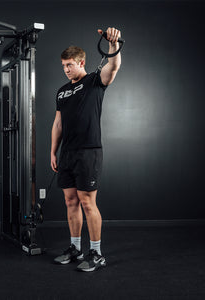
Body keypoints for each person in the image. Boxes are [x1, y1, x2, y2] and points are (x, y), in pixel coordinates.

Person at [51, 27, 122, 271]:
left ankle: (96, 253)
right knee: (70, 201)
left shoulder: (94, 81)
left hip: (89, 151)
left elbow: (113, 67)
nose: (66, 69)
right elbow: (58, 123)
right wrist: (53, 151)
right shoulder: (61, 91)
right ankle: (75, 248)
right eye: (63, 66)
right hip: (67, 154)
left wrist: (113, 44)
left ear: (81, 62)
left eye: (69, 65)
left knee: (87, 202)